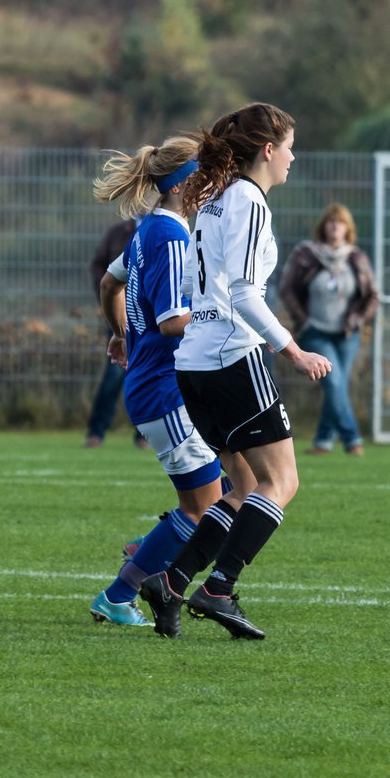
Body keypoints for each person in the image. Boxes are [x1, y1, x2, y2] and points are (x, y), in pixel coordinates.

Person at [138, 103, 332, 641]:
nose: (293, 157)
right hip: (229, 356)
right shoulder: (248, 199)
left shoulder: (218, 198)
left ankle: (172, 582)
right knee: (282, 481)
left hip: (193, 364)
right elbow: (245, 293)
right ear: (268, 150)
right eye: (290, 145)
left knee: (244, 484)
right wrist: (292, 349)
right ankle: (218, 588)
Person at [86, 135, 253, 627]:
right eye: (211, 177)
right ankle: (122, 592)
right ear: (189, 183)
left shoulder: (147, 229)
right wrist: (235, 321)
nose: (218, 186)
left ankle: (157, 545)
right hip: (165, 391)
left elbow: (109, 284)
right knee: (206, 509)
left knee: (222, 492)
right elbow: (173, 321)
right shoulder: (175, 236)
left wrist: (121, 334)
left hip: (155, 384)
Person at [278, 203, 379, 456]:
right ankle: (352, 438)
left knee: (338, 386)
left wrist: (358, 318)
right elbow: (287, 289)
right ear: (323, 226)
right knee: (333, 382)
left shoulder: (356, 258)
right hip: (316, 331)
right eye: (331, 222)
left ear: (348, 228)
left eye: (341, 222)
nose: (335, 226)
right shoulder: (307, 254)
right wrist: (303, 319)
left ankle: (323, 441)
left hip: (347, 333)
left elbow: (372, 296)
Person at [84, 218, 148, 450]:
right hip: (121, 317)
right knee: (113, 375)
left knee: (147, 373)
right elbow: (101, 271)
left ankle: (145, 434)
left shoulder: (160, 228)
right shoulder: (119, 232)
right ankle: (96, 431)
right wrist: (109, 304)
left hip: (149, 317)